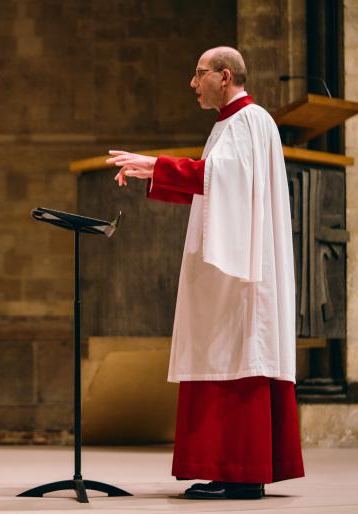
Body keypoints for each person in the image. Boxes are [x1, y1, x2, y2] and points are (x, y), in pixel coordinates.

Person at [107, 46, 304, 500]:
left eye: (200, 74)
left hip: (241, 272)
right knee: (222, 353)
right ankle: (229, 470)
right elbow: (213, 186)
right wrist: (153, 173)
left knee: (238, 355)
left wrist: (158, 165)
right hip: (227, 268)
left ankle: (242, 473)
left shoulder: (249, 120)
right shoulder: (229, 125)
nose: (193, 83)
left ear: (225, 75)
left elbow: (225, 180)